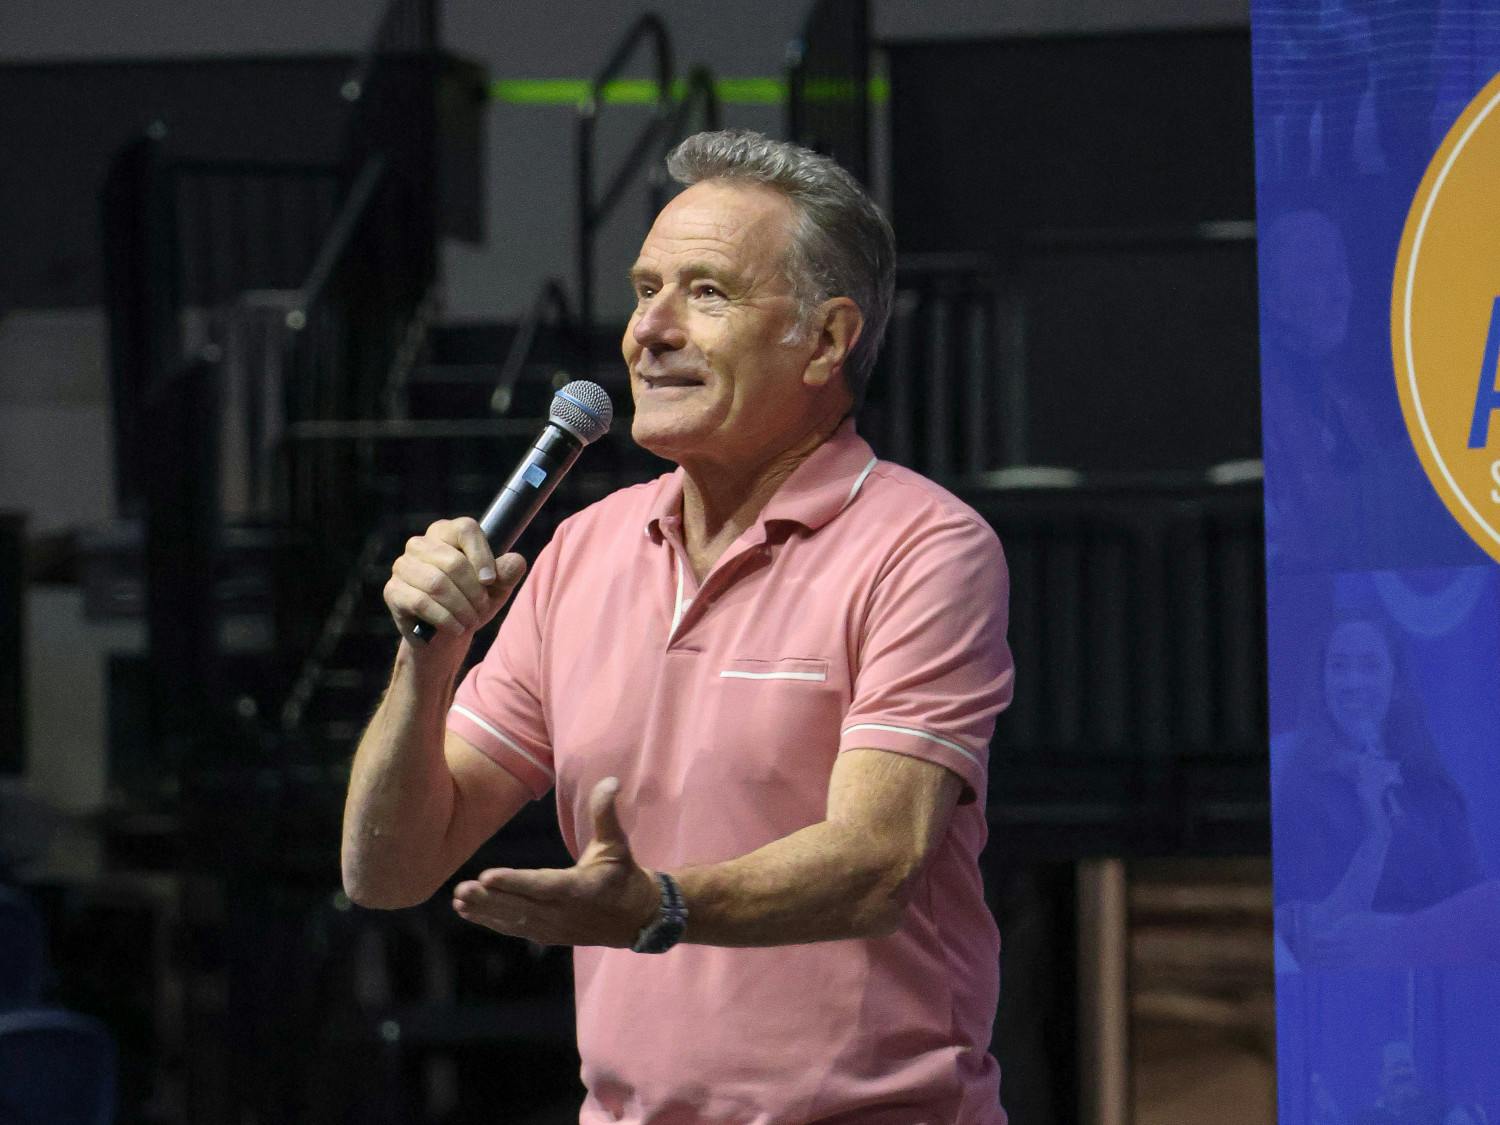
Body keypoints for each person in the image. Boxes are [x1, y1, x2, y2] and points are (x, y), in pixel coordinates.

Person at [341, 129, 1014, 1124]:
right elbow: (388, 869)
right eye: (644, 289)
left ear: (827, 340)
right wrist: (426, 660)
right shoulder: (582, 550)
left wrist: (662, 906)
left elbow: (876, 864)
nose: (648, 330)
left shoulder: (922, 547)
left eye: (706, 293)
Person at [1273, 611, 1485, 968]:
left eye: (1370, 666)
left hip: (1436, 979)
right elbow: (1319, 935)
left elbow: (1478, 913)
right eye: (1338, 667)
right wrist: (1377, 834)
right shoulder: (1298, 786)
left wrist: (1403, 934)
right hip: (1344, 985)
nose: (1352, 683)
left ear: (1396, 683)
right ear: (1322, 683)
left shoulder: (1430, 786)